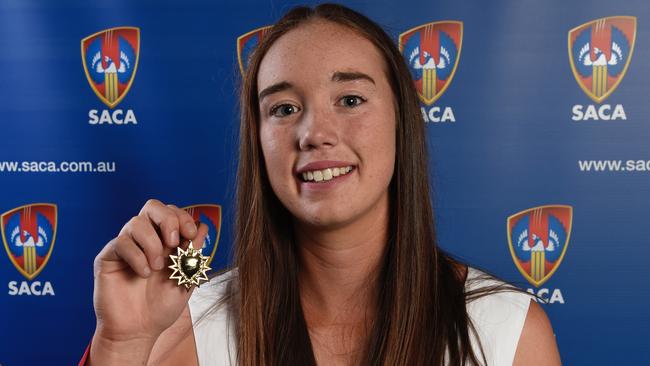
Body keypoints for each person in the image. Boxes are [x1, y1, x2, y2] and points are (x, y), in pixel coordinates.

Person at [83, 3, 562, 365]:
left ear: (403, 122)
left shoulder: (508, 329)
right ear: (259, 141)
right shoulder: (186, 324)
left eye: (350, 99)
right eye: (284, 109)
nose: (314, 134)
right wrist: (122, 344)